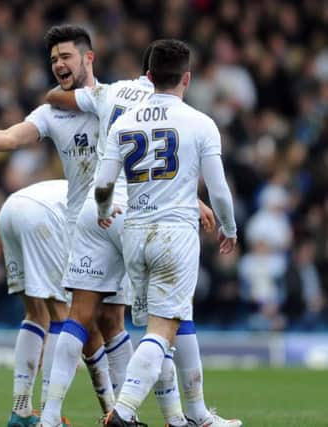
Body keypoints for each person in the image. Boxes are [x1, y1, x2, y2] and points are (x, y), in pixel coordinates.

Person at [46, 44, 241, 427]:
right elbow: (218, 191)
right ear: (186, 78)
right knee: (161, 330)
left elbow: (103, 185)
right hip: (174, 234)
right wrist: (229, 229)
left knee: (169, 318)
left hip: (134, 230)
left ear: (149, 77)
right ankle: (123, 411)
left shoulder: (124, 121)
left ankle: (194, 414)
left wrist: (103, 213)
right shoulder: (200, 122)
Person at [0, 25, 122, 423]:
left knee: (110, 320)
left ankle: (117, 409)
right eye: (54, 59)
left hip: (121, 218)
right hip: (82, 228)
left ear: (88, 58)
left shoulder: (114, 99)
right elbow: (12, 137)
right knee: (83, 318)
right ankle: (79, 411)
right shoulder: (51, 112)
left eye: (66, 56)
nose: (59, 64)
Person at [0, 180, 71, 427]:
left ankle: (21, 410)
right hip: (41, 214)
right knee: (61, 313)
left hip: (10, 208)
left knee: (36, 313)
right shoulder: (120, 204)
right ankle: (50, 417)